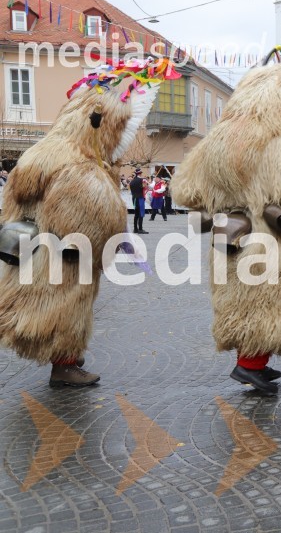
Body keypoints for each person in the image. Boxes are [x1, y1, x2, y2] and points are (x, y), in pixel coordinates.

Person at [172, 59, 281, 395]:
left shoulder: (215, 141)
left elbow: (186, 191)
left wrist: (227, 201)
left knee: (239, 302)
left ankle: (254, 361)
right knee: (268, 303)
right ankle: (249, 366)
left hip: (229, 239)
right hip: (272, 242)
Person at [0, 58, 177, 387]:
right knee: (67, 306)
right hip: (64, 258)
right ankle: (65, 365)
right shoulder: (79, 166)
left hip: (32, 251)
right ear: (98, 123)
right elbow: (91, 221)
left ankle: (63, 356)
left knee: (43, 303)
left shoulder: (40, 153)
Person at [130, 168, 148, 234]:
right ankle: (140, 229)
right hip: (140, 198)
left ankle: (135, 229)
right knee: (141, 213)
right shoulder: (142, 180)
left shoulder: (132, 181)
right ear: (140, 173)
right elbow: (145, 187)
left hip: (134, 198)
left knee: (136, 214)